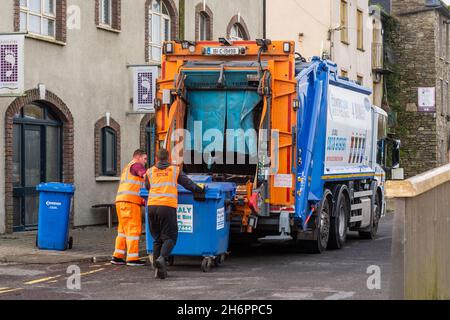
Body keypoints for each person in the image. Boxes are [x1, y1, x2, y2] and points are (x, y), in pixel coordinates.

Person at [146, 149, 205, 279]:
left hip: (151, 207)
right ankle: (162, 259)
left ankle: (158, 271)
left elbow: (147, 187)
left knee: (157, 239)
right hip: (167, 207)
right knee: (170, 238)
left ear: (156, 158)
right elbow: (188, 184)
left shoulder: (149, 171)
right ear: (168, 158)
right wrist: (200, 189)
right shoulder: (174, 170)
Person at [111, 149, 148, 267]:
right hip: (130, 203)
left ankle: (117, 256)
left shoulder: (127, 168)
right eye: (145, 159)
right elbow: (145, 174)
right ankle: (132, 258)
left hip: (121, 201)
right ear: (138, 157)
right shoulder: (137, 165)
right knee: (133, 229)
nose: (145, 162)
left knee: (122, 231)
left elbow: (133, 186)